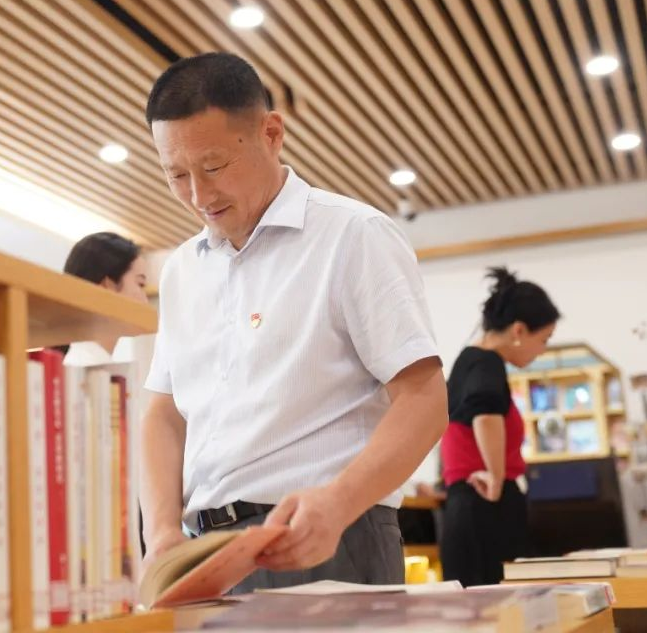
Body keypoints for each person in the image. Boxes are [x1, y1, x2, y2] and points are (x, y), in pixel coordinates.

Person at [139, 51, 447, 591]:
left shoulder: (353, 235)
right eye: (177, 174)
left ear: (272, 134)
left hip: (329, 539)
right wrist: (161, 529)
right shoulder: (182, 269)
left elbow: (424, 400)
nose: (198, 195)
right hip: (205, 553)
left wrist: (339, 503)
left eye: (214, 166)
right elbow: (165, 413)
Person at [439, 267, 560, 586]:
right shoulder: (486, 361)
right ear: (519, 330)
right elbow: (485, 413)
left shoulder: (468, 360)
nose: (543, 350)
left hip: (467, 504)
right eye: (543, 339)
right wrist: (494, 476)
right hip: (485, 504)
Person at [60, 231, 155, 570]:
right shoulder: (74, 382)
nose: (145, 300)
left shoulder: (122, 374)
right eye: (139, 284)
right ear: (106, 287)